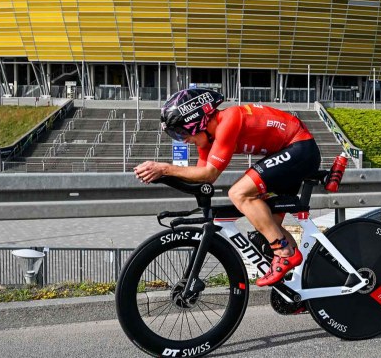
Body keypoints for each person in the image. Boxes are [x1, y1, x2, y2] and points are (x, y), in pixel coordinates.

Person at [134, 88, 321, 286]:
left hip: (300, 148)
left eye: (182, 132)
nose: (184, 140)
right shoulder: (207, 139)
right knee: (267, 229)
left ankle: (284, 252)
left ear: (198, 121)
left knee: (239, 193)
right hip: (289, 153)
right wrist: (162, 177)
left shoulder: (229, 120)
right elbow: (202, 180)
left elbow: (210, 173)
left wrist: (164, 168)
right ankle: (299, 288)